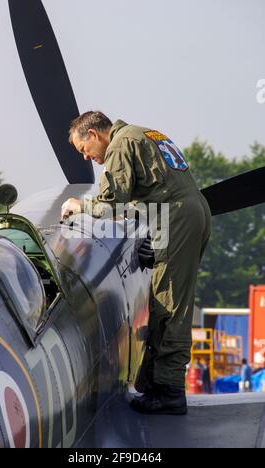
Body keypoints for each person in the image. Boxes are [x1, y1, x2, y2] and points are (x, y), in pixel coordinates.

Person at [62, 111, 212, 415]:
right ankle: (159, 385)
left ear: (93, 135)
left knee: (170, 306)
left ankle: (169, 392)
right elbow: (155, 188)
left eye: (84, 150)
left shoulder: (120, 145)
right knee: (169, 300)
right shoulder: (143, 134)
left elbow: (110, 203)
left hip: (176, 219)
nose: (87, 158)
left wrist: (79, 206)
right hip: (187, 213)